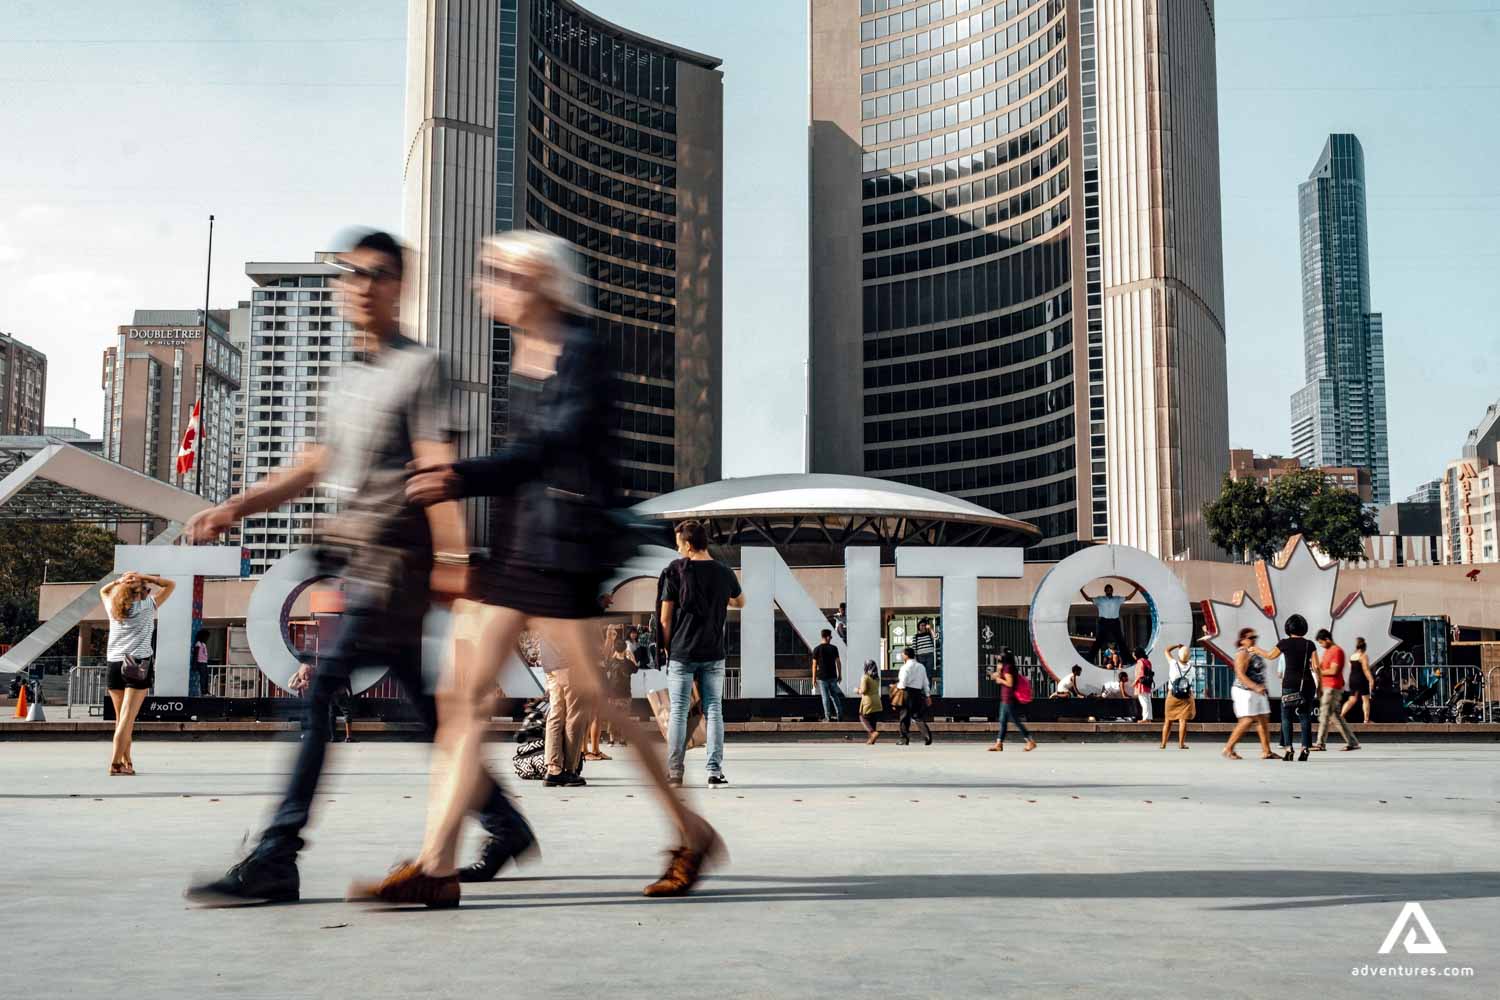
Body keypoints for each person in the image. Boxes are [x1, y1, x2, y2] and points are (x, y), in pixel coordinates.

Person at [354, 232, 723, 905]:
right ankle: (435, 866)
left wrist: (458, 475)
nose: (485, 283)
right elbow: (529, 459)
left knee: (599, 700)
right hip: (522, 547)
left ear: (540, 282)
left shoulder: (582, 350)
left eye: (500, 272)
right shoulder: (523, 353)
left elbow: (552, 448)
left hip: (566, 554)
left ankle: (692, 832)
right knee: (462, 698)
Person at [184, 230, 532, 904]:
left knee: (318, 692)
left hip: (396, 564)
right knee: (424, 713)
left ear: (400, 286)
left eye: (376, 274)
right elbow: (315, 464)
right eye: (351, 274)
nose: (361, 285)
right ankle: (505, 823)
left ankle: (277, 854)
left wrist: (454, 560)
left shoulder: (422, 367)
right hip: (352, 563)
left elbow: (437, 466)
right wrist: (237, 506)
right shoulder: (341, 378)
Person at [660, 518, 744, 786]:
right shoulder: (723, 572)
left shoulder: (675, 571)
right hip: (713, 653)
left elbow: (665, 619)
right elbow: (740, 601)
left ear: (687, 544)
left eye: (678, 545)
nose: (677, 551)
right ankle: (714, 771)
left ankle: (674, 772)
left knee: (679, 711)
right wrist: (721, 598)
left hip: (682, 652)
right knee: (714, 710)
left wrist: (667, 648)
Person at [101, 571, 175, 775]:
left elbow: (103, 590)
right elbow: (171, 585)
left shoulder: (113, 607)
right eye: (147, 590)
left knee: (121, 719)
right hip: (137, 664)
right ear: (141, 593)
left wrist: (120, 581)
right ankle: (115, 764)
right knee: (127, 719)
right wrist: (147, 578)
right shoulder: (147, 606)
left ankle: (127, 762)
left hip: (114, 664)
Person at [1255, 614, 1319, 762]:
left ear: (1288, 628)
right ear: (1304, 627)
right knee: (1305, 717)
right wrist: (1320, 684)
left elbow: (1270, 656)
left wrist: (1257, 650)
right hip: (1307, 684)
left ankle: (1289, 748)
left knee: (1286, 717)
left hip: (1290, 684)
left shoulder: (1284, 643)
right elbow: (1316, 666)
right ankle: (1305, 747)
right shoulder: (1310, 644)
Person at [1222, 627, 1274, 760]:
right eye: (1251, 638)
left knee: (1263, 718)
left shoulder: (1252, 652)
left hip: (1257, 691)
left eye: (1255, 637)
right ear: (1242, 640)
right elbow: (1240, 674)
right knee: (1247, 720)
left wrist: (1261, 687)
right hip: (1244, 691)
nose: (1254, 640)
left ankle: (1266, 751)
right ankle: (1228, 748)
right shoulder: (1242, 653)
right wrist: (1255, 687)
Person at [1312, 629, 1361, 752]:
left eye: (1321, 643)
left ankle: (1320, 743)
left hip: (1333, 687)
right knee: (1335, 717)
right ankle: (1352, 742)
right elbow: (1321, 667)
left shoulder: (1337, 651)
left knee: (1324, 715)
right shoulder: (1327, 651)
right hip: (1327, 687)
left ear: (1327, 639)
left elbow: (1334, 671)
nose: (1321, 646)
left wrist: (1319, 672)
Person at [542, 666, 588, 786]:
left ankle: (553, 769)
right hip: (570, 665)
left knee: (556, 714)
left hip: (551, 664)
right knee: (574, 716)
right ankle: (570, 770)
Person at [987, 649, 1036, 752]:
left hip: (1009, 699)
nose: (998, 658)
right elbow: (997, 676)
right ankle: (999, 744)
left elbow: (1009, 683)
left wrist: (999, 679)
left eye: (1000, 657)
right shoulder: (1006, 667)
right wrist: (998, 673)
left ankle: (1030, 741)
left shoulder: (1008, 668)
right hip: (1005, 698)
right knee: (1003, 721)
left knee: (1015, 721)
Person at [1081, 582, 1136, 664]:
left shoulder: (1117, 599)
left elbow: (1129, 598)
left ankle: (1129, 660)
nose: (1109, 591)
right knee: (1098, 641)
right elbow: (1088, 599)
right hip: (1104, 622)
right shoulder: (1100, 599)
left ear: (1112, 591)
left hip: (1115, 622)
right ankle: (1089, 659)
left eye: (1110, 590)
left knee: (1121, 641)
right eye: (1107, 590)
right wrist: (1081, 590)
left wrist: (1136, 589)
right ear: (1105, 591)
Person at [895, 645, 933, 746]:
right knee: (917, 716)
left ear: (906, 655)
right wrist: (927, 695)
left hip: (907, 692)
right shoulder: (921, 667)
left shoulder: (905, 667)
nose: (902, 656)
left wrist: (896, 686)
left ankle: (904, 738)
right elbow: (925, 682)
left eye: (902, 654)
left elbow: (902, 683)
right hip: (918, 693)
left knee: (904, 716)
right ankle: (927, 736)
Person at [1161, 642, 1196, 749]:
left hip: (1172, 695)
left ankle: (1163, 744)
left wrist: (1176, 645)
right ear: (1188, 656)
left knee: (1168, 720)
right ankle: (1181, 744)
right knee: (1183, 721)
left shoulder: (1173, 664)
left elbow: (1166, 650)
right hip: (1186, 697)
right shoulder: (1192, 669)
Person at [810, 628, 843, 722]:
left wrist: (813, 679)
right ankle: (839, 715)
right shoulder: (834, 648)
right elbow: (838, 662)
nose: (831, 638)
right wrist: (840, 675)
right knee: (835, 696)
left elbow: (814, 665)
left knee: (825, 697)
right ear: (827, 637)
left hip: (822, 677)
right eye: (831, 636)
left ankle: (827, 717)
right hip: (833, 676)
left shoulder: (816, 649)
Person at [1341, 637, 1375, 725]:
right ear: (1364, 648)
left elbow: (1350, 667)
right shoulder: (1363, 656)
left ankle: (1341, 716)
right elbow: (1366, 669)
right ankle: (1366, 720)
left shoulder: (1352, 656)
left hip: (1352, 679)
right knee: (1365, 699)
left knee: (1352, 699)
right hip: (1361, 679)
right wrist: (1371, 679)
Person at [857, 659, 883, 744]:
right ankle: (871, 739)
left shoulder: (865, 677)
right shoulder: (877, 677)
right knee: (872, 719)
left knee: (862, 717)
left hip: (868, 701)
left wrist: (857, 690)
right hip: (877, 700)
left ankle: (873, 732)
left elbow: (863, 690)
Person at [912, 617, 939, 694]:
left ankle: (927, 691)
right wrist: (915, 659)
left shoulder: (928, 634)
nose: (923, 627)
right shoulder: (916, 636)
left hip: (929, 656)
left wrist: (930, 628)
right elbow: (914, 648)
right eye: (921, 625)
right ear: (918, 627)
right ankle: (920, 691)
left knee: (929, 674)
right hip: (920, 657)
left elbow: (936, 637)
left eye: (924, 625)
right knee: (920, 674)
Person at [1132, 647, 1155, 722]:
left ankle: (1145, 718)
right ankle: (1149, 718)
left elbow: (1140, 674)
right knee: (1148, 701)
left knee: (1144, 702)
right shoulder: (1147, 661)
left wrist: (1134, 683)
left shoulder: (1140, 662)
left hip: (1141, 685)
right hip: (1147, 684)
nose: (1133, 655)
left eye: (1134, 654)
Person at [190, 630, 209, 697]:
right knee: (203, 677)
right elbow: (196, 654)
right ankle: (203, 691)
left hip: (204, 662)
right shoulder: (198, 643)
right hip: (200, 662)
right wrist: (194, 664)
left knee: (206, 676)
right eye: (206, 637)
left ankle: (206, 690)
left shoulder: (204, 644)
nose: (207, 639)